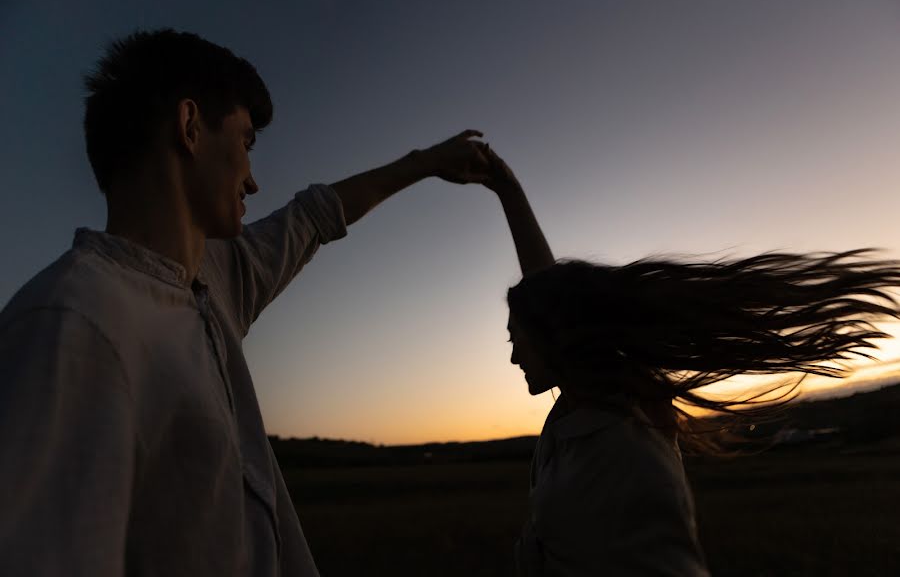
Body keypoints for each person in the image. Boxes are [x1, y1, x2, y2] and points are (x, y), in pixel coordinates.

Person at [0, 29, 493, 576]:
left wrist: (425, 163)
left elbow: (315, 216)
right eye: (245, 141)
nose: (253, 181)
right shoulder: (72, 323)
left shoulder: (214, 279)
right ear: (190, 128)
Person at [480, 149, 900, 576]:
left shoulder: (624, 455)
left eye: (520, 342)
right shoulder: (582, 403)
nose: (514, 357)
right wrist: (508, 190)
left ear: (558, 340)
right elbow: (549, 292)